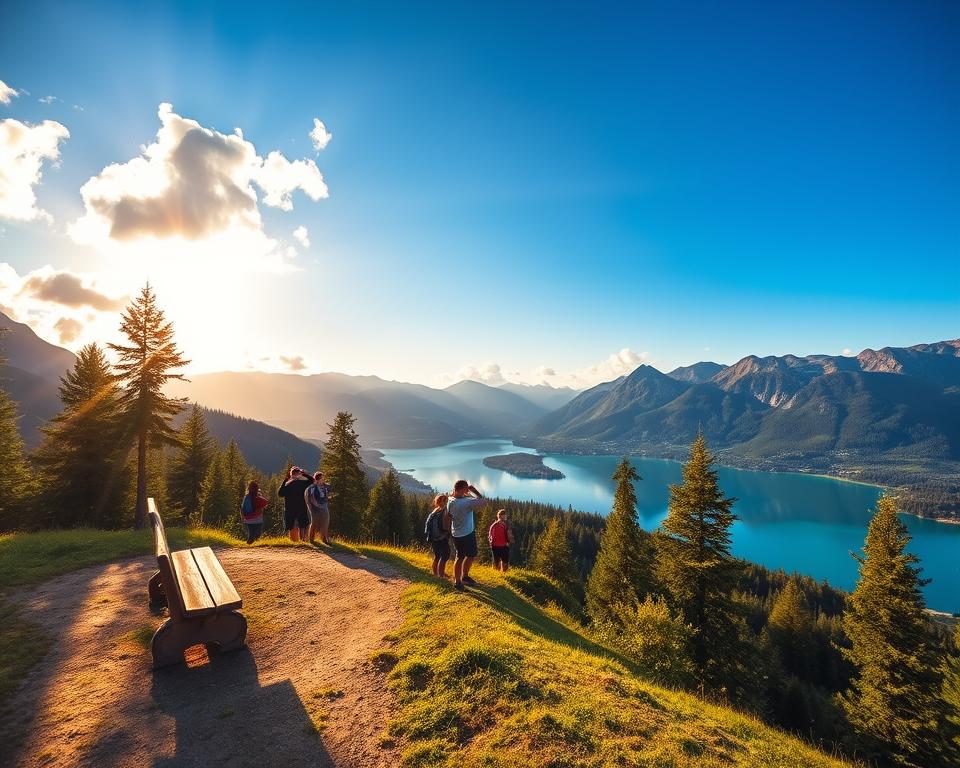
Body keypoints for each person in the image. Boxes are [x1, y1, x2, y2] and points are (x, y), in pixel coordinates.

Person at [447, 479, 485, 591]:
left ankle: (460, 580)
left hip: (456, 533)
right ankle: (462, 578)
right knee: (468, 555)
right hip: (467, 533)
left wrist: (465, 493)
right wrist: (474, 491)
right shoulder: (466, 503)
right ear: (464, 489)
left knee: (462, 556)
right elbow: (483, 501)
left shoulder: (451, 499)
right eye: (466, 489)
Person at [278, 466, 313, 542]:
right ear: (298, 474)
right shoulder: (303, 483)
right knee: (302, 525)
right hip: (302, 507)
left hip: (290, 508)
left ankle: (294, 542)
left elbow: (280, 494)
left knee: (292, 526)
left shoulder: (287, 485)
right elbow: (312, 480)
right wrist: (304, 474)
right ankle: (303, 541)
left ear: (291, 474)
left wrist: (286, 480)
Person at [424, 493, 450, 578]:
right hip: (442, 537)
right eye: (445, 500)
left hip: (433, 538)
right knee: (445, 556)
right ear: (441, 501)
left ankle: (436, 573)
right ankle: (441, 575)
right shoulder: (444, 510)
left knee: (437, 556)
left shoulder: (434, 511)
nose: (446, 501)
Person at [306, 471, 333, 545]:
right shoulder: (312, 488)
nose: (323, 479)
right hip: (315, 508)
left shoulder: (325, 486)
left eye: (323, 478)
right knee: (314, 523)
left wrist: (329, 497)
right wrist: (316, 505)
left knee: (325, 523)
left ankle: (324, 539)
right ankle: (311, 540)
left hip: (324, 507)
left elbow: (330, 492)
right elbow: (311, 498)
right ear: (317, 479)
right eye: (321, 478)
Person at [487, 508, 514, 572]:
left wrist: (509, 541)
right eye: (504, 515)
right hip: (496, 546)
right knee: (497, 562)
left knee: (505, 562)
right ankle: (497, 575)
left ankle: (503, 574)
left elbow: (509, 535)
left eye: (505, 515)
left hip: (504, 545)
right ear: (500, 516)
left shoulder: (506, 524)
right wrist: (491, 542)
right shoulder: (495, 525)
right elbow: (490, 535)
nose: (505, 516)